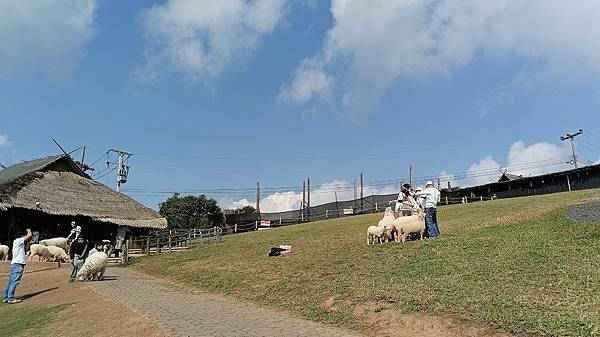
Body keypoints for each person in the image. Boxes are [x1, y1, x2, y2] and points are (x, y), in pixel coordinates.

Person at [3, 228, 33, 304]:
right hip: (18, 264)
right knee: (14, 282)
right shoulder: (18, 241)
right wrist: (28, 230)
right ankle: (10, 298)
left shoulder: (17, 242)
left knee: (10, 281)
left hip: (14, 264)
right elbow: (29, 235)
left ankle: (6, 297)